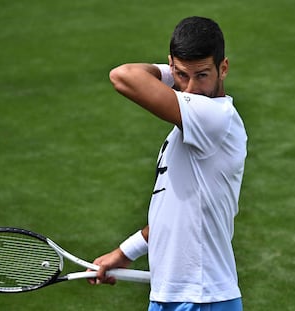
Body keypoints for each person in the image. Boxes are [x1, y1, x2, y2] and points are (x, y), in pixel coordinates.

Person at [88, 16, 247, 311]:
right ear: (172, 64)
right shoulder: (190, 126)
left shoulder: (213, 116)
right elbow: (176, 209)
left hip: (201, 298)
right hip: (175, 295)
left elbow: (123, 75)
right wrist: (125, 251)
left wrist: (169, 73)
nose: (189, 89)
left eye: (202, 75)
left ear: (223, 68)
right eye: (182, 75)